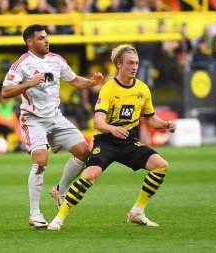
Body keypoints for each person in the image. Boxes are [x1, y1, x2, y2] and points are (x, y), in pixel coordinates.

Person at [47, 44, 176, 231]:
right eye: (130, 63)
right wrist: (112, 129)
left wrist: (165, 124)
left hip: (129, 141)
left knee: (161, 165)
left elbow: (150, 119)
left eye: (136, 63)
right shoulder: (108, 89)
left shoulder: (143, 89)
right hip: (106, 140)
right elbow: (98, 122)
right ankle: (58, 219)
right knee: (90, 175)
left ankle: (137, 212)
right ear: (119, 64)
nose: (134, 67)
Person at [1, 24, 103, 229]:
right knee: (40, 161)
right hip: (33, 119)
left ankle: (60, 189)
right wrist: (29, 83)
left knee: (85, 153)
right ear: (30, 42)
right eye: (40, 38)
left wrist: (92, 82)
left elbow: (74, 80)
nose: (46, 40)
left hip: (56, 118)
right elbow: (5, 92)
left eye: (46, 37)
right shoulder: (22, 64)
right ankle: (34, 213)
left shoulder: (57, 60)